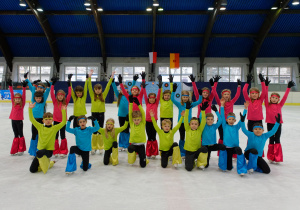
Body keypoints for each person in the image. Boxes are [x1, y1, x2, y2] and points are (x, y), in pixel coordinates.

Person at [28, 102, 66, 174]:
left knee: (39, 152)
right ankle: (50, 164)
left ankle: (48, 163)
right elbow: (32, 119)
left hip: (48, 152)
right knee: (32, 170)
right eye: (46, 119)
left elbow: (63, 122)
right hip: (40, 151)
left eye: (50, 119)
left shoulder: (54, 128)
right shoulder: (40, 126)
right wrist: (30, 109)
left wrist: (63, 111)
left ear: (52, 120)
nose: (48, 121)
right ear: (43, 121)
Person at [264, 78, 295, 164]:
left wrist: (288, 88)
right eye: (273, 97)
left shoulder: (280, 105)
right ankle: (271, 156)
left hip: (278, 124)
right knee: (271, 139)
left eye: (276, 98)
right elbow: (265, 96)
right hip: (270, 124)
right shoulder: (267, 105)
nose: (274, 99)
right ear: (270, 98)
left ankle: (277, 157)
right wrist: (266, 86)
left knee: (277, 139)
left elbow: (285, 97)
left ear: (278, 100)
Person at [212, 75, 241, 158]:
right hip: (221, 121)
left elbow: (238, 95)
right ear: (222, 95)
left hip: (229, 122)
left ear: (229, 95)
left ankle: (231, 152)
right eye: (225, 94)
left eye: (228, 94)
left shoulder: (231, 102)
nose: (226, 95)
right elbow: (214, 93)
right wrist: (215, 83)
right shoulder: (219, 101)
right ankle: (222, 152)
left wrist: (239, 86)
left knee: (229, 136)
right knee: (222, 136)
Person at [171, 82, 202, 158]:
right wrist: (173, 91)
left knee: (188, 137)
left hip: (188, 124)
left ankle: (188, 150)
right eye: (183, 97)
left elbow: (199, 101)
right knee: (182, 137)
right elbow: (172, 99)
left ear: (188, 97)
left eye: (186, 97)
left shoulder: (190, 104)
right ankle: (182, 151)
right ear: (181, 97)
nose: (185, 98)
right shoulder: (180, 104)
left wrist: (200, 95)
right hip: (181, 123)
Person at [218, 99, 248, 176]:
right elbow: (221, 115)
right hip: (227, 148)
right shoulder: (224, 126)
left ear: (235, 120)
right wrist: (222, 106)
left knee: (239, 151)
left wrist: (245, 109)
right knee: (228, 168)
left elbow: (242, 119)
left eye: (232, 119)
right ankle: (226, 165)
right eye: (229, 119)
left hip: (235, 147)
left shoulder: (236, 127)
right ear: (226, 120)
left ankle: (241, 169)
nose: (231, 121)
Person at [88, 70, 114, 155]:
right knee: (94, 131)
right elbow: (88, 86)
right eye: (96, 89)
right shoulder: (92, 95)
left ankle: (100, 146)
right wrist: (89, 77)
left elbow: (108, 86)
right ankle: (93, 147)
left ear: (101, 90)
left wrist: (111, 78)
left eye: (99, 89)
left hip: (101, 114)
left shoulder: (104, 95)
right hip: (94, 114)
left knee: (100, 130)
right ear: (94, 90)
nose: (98, 91)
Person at [111, 74, 137, 151]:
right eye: (122, 89)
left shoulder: (129, 95)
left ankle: (126, 144)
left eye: (125, 89)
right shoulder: (118, 95)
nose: (124, 90)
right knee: (122, 129)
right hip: (121, 115)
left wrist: (134, 81)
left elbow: (133, 87)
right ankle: (121, 145)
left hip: (128, 115)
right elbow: (114, 88)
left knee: (127, 130)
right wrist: (112, 82)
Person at [51, 77, 72, 158]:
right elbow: (52, 94)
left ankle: (63, 151)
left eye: (61, 96)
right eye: (59, 95)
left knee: (63, 135)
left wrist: (69, 86)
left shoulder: (65, 102)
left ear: (64, 96)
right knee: (55, 136)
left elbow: (69, 94)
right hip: (55, 121)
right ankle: (55, 150)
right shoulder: (55, 102)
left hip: (63, 121)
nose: (60, 97)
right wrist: (52, 85)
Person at [184, 101, 208, 171]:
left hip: (197, 151)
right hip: (189, 151)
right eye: (192, 124)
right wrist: (187, 109)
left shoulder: (199, 130)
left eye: (196, 124)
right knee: (189, 168)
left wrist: (203, 111)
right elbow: (186, 119)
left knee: (204, 149)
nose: (194, 125)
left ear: (198, 125)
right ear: (189, 124)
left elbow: (203, 121)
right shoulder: (187, 129)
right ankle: (191, 160)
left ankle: (200, 163)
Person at [143, 76, 162, 159]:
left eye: (153, 98)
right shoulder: (147, 103)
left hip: (154, 121)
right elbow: (144, 95)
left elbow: (158, 95)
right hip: (147, 121)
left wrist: (160, 88)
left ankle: (154, 152)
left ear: (155, 99)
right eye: (150, 98)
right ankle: (148, 152)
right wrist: (143, 88)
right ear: (148, 99)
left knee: (153, 136)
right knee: (149, 136)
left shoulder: (156, 104)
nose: (151, 100)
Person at [8, 79, 27, 155]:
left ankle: (21, 149)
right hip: (13, 120)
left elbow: (24, 96)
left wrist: (24, 87)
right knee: (16, 134)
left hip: (19, 121)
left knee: (20, 134)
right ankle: (15, 149)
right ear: (14, 99)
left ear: (21, 100)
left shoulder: (22, 105)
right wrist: (10, 86)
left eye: (19, 99)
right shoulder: (13, 104)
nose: (17, 100)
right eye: (16, 99)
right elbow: (11, 93)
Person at [127, 96, 148, 168]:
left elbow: (143, 112)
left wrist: (138, 104)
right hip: (134, 145)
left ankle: (143, 159)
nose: (136, 121)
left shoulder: (142, 123)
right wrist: (130, 103)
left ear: (141, 119)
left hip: (141, 145)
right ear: (132, 119)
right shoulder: (132, 123)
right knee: (129, 148)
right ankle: (133, 157)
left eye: (138, 119)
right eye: (135, 120)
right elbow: (130, 113)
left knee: (143, 165)